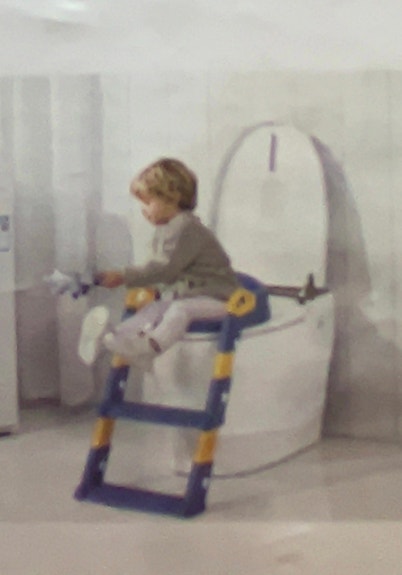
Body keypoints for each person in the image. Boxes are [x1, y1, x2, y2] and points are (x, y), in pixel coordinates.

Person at [78, 157, 240, 369]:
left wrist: (124, 276)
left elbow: (164, 268)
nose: (143, 210)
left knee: (180, 310)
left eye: (148, 202)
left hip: (218, 299)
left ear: (173, 198)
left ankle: (150, 348)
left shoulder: (186, 229)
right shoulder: (168, 228)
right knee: (153, 309)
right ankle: (114, 338)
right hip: (192, 296)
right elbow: (163, 270)